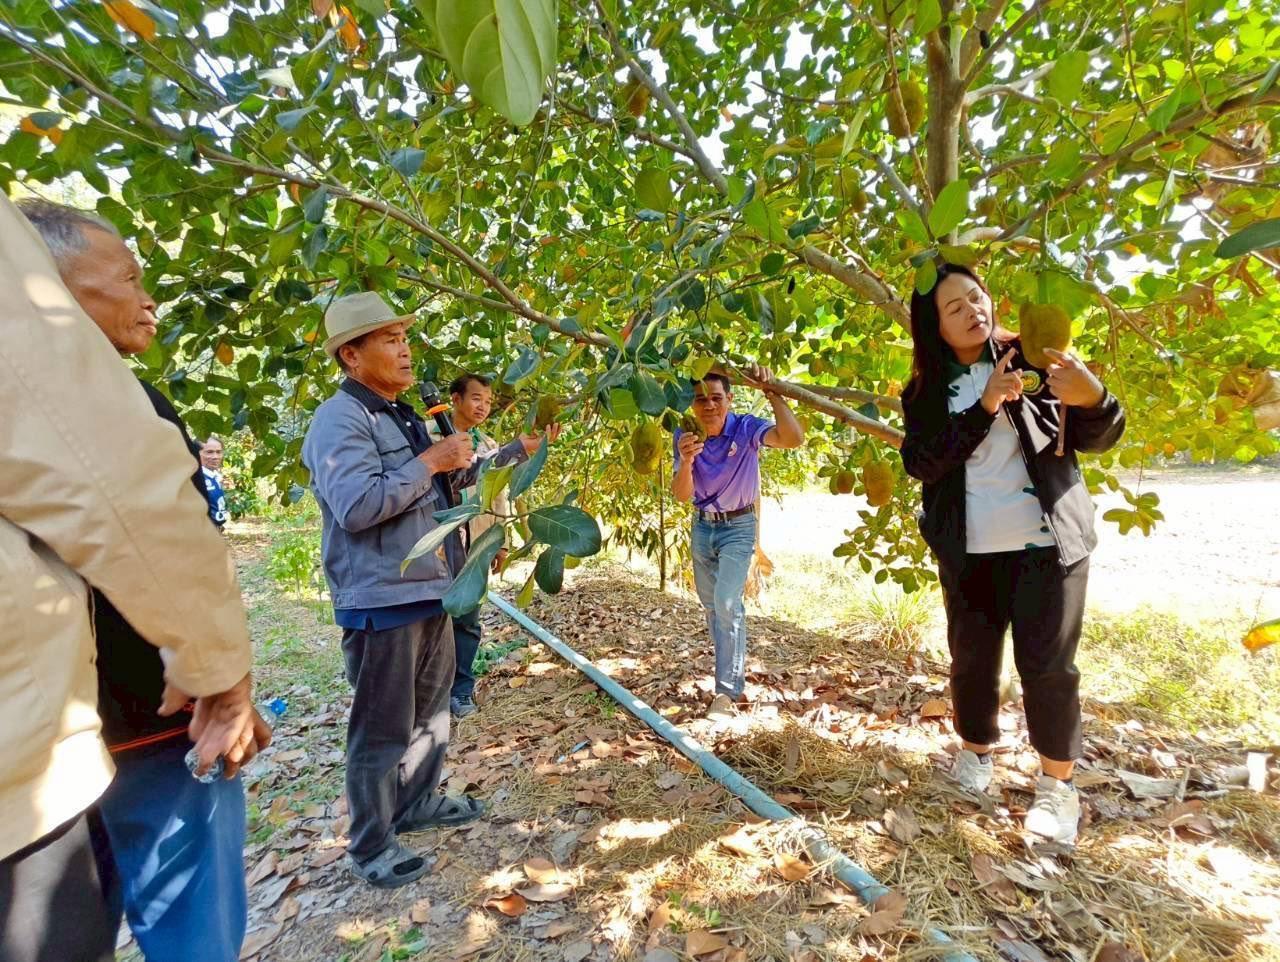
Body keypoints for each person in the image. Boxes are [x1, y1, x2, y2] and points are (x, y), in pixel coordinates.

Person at [1, 195, 261, 962]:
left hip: (78, 732)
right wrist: (219, 675)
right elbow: (134, 517)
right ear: (47, 288)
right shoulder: (80, 404)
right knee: (188, 924)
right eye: (129, 276)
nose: (148, 298)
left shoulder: (126, 399)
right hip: (142, 721)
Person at [302, 293, 531, 888]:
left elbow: (440, 489)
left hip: (434, 587)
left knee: (431, 713)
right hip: (381, 597)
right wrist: (428, 463)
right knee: (382, 725)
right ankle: (371, 842)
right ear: (351, 355)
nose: (404, 348)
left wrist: (483, 463)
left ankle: (418, 801)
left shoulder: (400, 414)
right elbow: (356, 506)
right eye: (387, 339)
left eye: (404, 336)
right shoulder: (340, 418)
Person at [900, 264, 1125, 846]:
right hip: (971, 552)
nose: (974, 310)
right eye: (956, 307)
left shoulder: (1035, 359)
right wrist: (983, 408)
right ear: (935, 328)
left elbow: (1096, 435)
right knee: (973, 662)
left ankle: (1057, 788)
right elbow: (921, 462)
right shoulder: (925, 391)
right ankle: (977, 755)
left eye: (977, 297)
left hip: (1048, 547)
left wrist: (1095, 396)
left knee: (1048, 668)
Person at [671, 366, 805, 713]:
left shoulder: (745, 429)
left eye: (717, 398)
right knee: (712, 606)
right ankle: (728, 663)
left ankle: (727, 692)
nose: (709, 406)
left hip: (739, 526)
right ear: (691, 405)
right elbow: (680, 495)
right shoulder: (684, 435)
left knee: (728, 604)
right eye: (701, 400)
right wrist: (686, 461)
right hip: (702, 526)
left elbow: (792, 439)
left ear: (729, 400)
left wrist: (772, 391)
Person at [440, 373, 561, 718]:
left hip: (477, 545)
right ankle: (432, 690)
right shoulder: (432, 436)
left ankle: (461, 691)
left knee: (467, 621)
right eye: (476, 398)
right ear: (456, 399)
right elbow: (455, 479)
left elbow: (499, 494)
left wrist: (501, 543)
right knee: (433, 621)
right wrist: (518, 449)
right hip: (438, 546)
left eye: (489, 401)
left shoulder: (488, 443)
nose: (483, 406)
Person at [199, 436, 230, 528]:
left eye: (218, 452)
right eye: (209, 452)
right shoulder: (194, 478)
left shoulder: (215, 476)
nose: (215, 457)